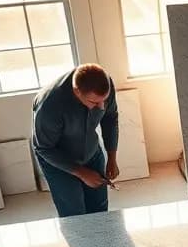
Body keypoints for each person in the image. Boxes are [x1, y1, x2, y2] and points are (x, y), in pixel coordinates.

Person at [32, 64, 121, 218]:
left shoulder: (104, 85)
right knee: (74, 213)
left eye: (104, 101)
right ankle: (81, 241)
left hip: (90, 151)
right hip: (58, 159)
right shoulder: (49, 106)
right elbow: (44, 148)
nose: (101, 106)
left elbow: (110, 118)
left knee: (99, 208)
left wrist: (112, 157)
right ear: (77, 92)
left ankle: (103, 241)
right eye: (94, 102)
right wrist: (82, 173)